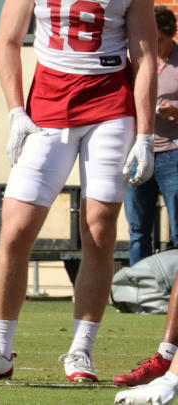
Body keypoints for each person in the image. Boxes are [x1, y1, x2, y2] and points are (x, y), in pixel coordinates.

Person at [0, 0, 156, 383]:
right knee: (15, 227)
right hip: (48, 100)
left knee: (98, 229)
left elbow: (144, 55)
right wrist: (15, 111)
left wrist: (145, 133)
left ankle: (81, 350)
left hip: (110, 102)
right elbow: (8, 41)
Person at [124, 5, 178, 268]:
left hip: (173, 152)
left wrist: (175, 111)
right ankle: (139, 289)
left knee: (177, 230)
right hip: (138, 151)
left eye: (163, 41)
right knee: (137, 229)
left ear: (172, 35)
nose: (157, 46)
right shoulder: (133, 59)